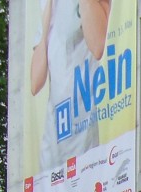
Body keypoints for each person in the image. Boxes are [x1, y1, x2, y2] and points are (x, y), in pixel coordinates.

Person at [30, 0, 111, 172]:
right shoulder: (47, 5)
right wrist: (47, 16)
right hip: (53, 136)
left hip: (83, 132)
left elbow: (98, 47)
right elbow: (35, 82)